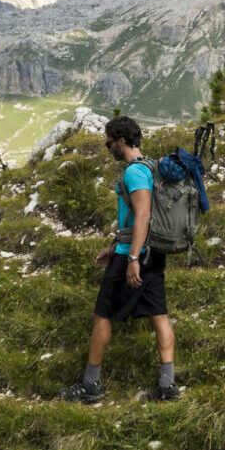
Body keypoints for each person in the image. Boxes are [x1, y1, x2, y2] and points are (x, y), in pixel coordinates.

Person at [62, 115, 180, 404]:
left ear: (122, 140)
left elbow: (143, 215)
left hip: (137, 254)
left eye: (109, 142)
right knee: (159, 314)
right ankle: (167, 385)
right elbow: (134, 218)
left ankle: (91, 384)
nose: (108, 148)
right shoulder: (151, 166)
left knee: (103, 314)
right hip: (152, 252)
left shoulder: (134, 173)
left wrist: (131, 258)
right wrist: (114, 245)